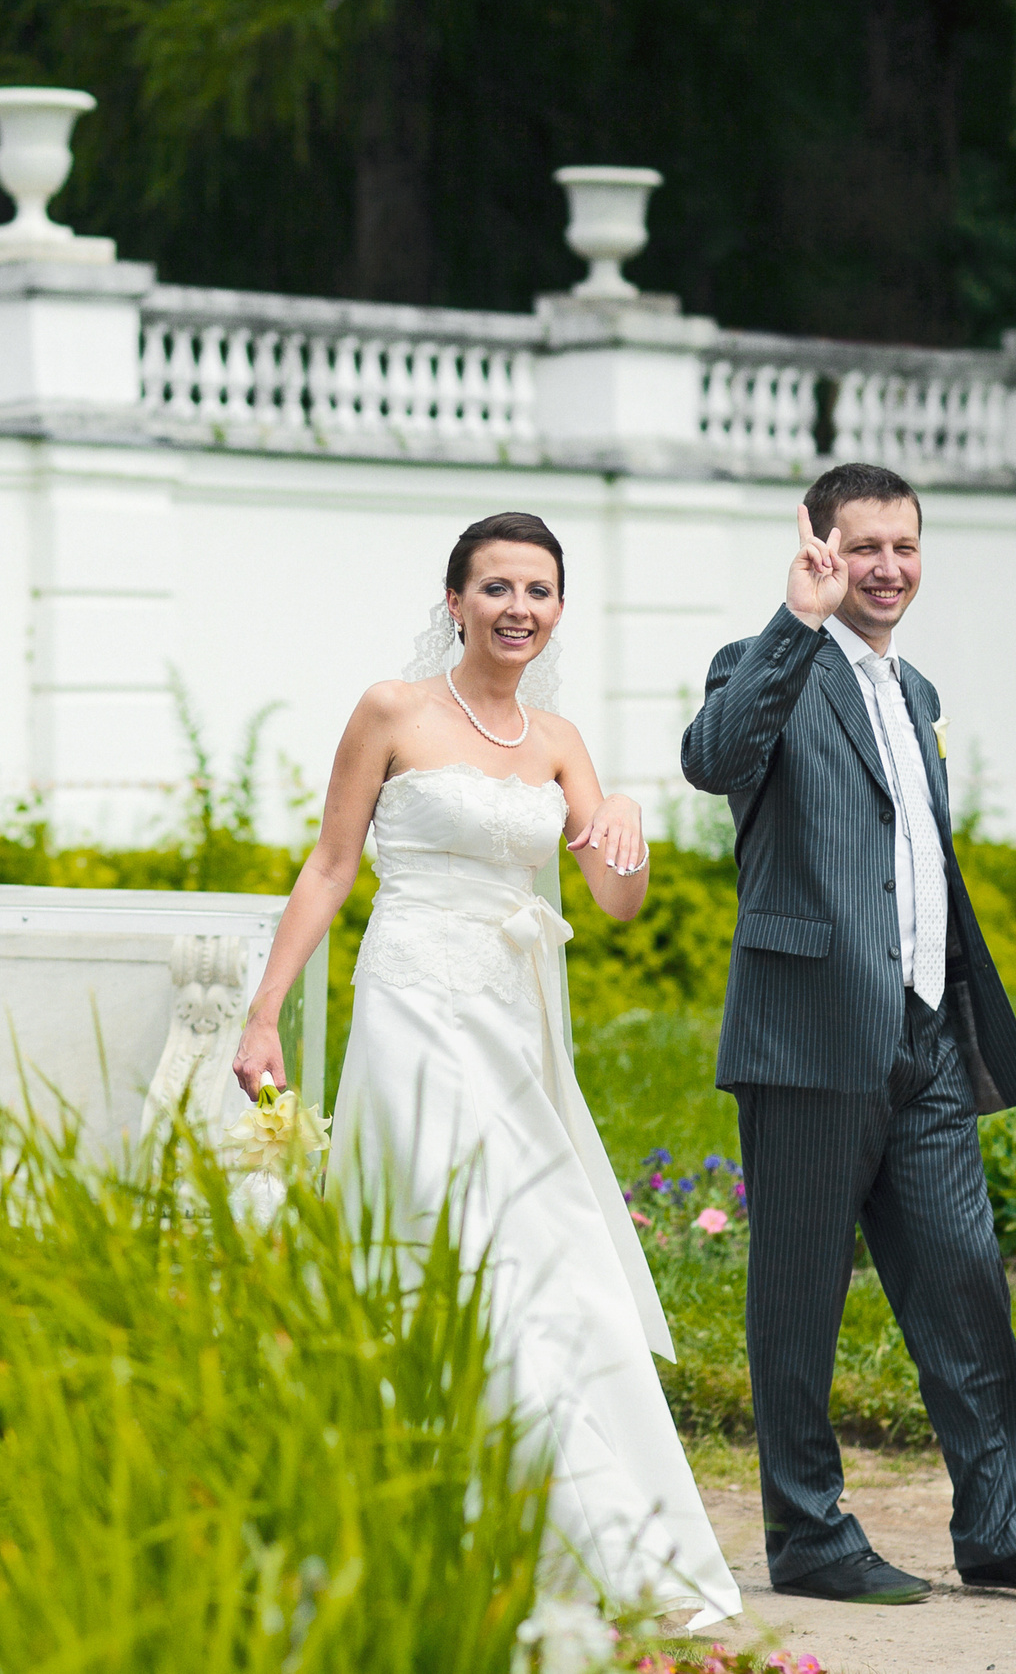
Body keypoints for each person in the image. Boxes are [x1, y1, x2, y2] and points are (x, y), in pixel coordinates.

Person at [232, 511, 742, 1628]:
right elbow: (329, 868)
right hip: (413, 1001)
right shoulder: (392, 710)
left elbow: (615, 900)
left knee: (546, 1246)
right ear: (456, 600)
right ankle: (428, 1509)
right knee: (441, 1235)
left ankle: (568, 1523)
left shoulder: (558, 742)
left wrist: (625, 816)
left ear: (558, 609)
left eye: (539, 590)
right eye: (499, 587)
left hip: (515, 1021)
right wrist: (265, 1013)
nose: (520, 608)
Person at [678, 462, 1016, 1605]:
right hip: (807, 1037)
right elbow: (713, 759)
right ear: (818, 549)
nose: (885, 568)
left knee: (964, 1281)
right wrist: (794, 620)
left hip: (925, 1039)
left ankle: (1001, 1526)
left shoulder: (917, 693)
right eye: (860, 546)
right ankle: (808, 1535)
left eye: (902, 546)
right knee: (798, 1301)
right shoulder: (763, 663)